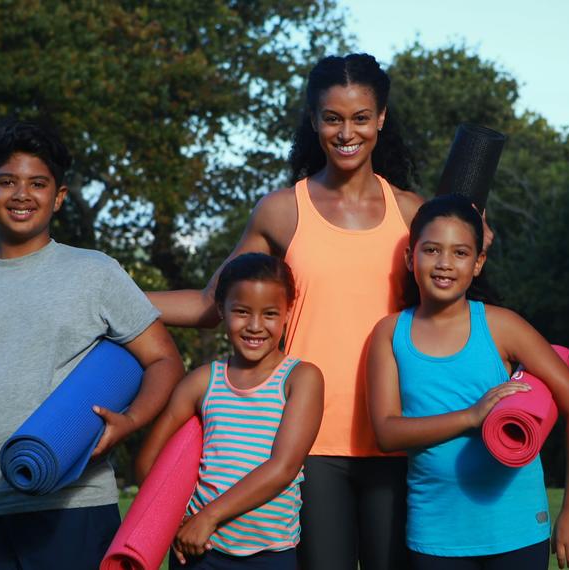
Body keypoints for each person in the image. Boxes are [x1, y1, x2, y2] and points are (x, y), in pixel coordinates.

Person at [148, 53, 425, 569]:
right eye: (332, 118)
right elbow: (212, 304)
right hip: (305, 447)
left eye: (361, 117)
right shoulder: (281, 209)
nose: (347, 132)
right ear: (314, 119)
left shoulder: (411, 213)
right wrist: (102, 298)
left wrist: (472, 236)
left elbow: (449, 300)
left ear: (381, 118)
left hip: (394, 437)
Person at [0, 117, 184, 570]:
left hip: (73, 505)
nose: (22, 195)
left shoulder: (95, 273)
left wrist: (129, 421)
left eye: (38, 183)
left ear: (58, 197)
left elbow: (163, 360)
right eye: (7, 182)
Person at [366, 194, 569, 570]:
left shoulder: (502, 325)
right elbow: (387, 432)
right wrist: (472, 417)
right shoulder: (390, 333)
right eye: (432, 250)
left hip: (518, 528)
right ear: (411, 257)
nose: (444, 264)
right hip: (436, 534)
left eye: (460, 253)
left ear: (478, 263)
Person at [136, 253, 324, 569]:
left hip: (271, 555)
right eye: (241, 312)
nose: (254, 326)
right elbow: (147, 461)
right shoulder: (201, 382)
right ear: (221, 309)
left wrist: (208, 517)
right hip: (197, 553)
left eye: (270, 314)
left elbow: (283, 468)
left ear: (288, 312)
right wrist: (172, 522)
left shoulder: (301, 378)